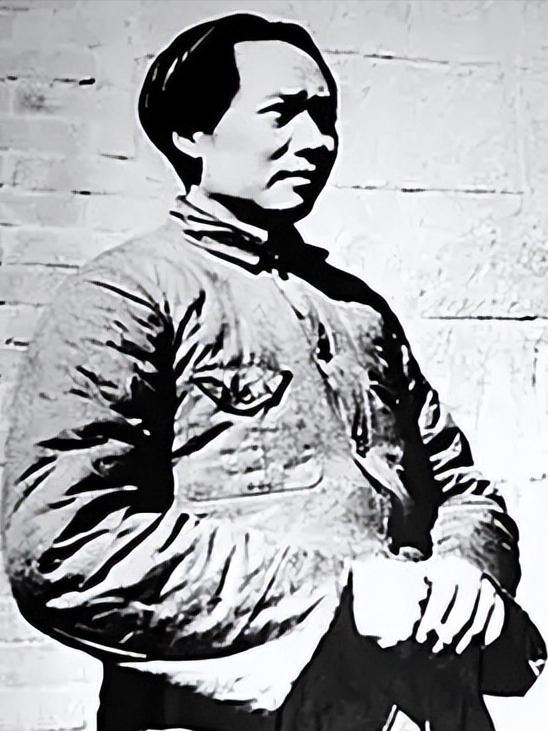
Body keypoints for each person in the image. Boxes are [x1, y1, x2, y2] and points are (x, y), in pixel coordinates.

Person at [1, 12, 545, 731]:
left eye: (326, 116)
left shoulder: (359, 310)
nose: (318, 140)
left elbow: (460, 488)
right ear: (191, 134)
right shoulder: (126, 294)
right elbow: (66, 541)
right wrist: (337, 593)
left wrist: (468, 569)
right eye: (283, 112)